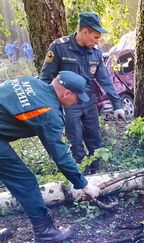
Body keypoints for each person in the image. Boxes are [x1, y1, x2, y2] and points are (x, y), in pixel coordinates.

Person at [0, 71, 101, 242]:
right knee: (25, 182)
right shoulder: (49, 112)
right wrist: (83, 183)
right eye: (77, 98)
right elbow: (60, 155)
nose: (77, 102)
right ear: (66, 93)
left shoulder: (32, 82)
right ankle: (45, 231)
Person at [39, 12, 125, 174]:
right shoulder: (59, 47)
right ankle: (82, 180)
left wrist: (117, 104)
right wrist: (50, 110)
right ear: (85, 32)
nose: (98, 41)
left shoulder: (96, 53)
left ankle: (98, 176)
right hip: (68, 105)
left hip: (88, 103)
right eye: (96, 37)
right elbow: (45, 79)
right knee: (75, 143)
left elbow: (105, 80)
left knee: (96, 142)